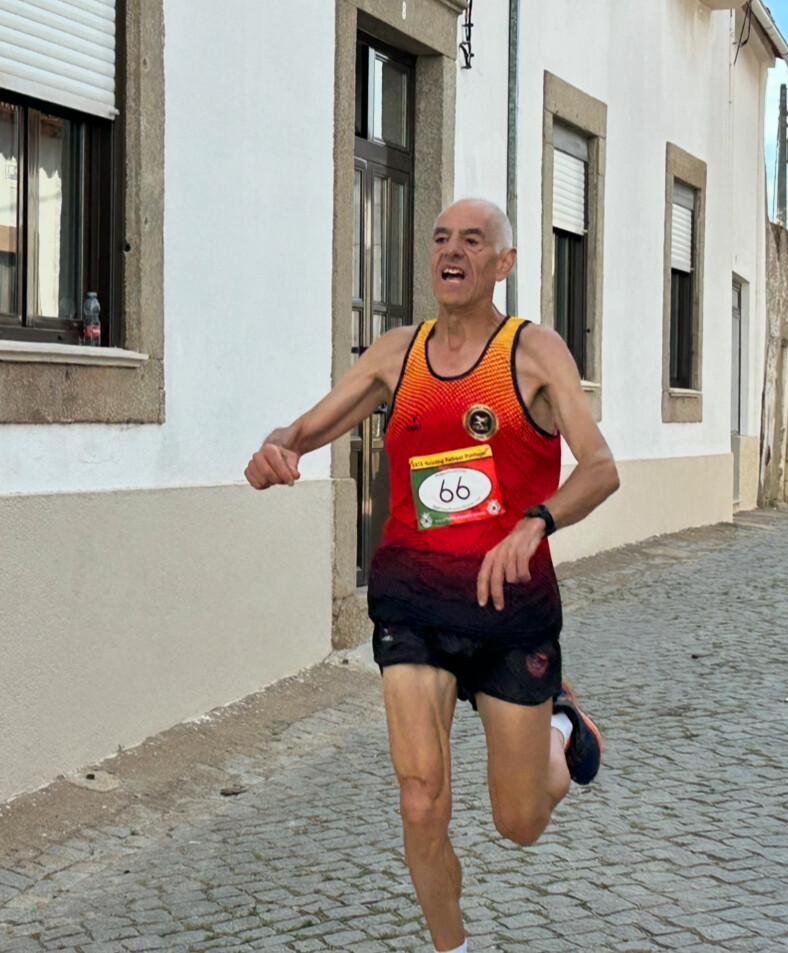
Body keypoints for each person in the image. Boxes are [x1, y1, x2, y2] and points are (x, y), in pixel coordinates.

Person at [245, 198, 620, 953]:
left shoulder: (534, 353)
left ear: (503, 263)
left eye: (472, 241)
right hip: (413, 602)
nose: (452, 251)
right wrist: (278, 447)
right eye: (442, 238)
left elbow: (601, 468)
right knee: (420, 800)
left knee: (519, 821)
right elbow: (307, 427)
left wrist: (536, 522)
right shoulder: (398, 354)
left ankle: (560, 724)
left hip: (511, 613)